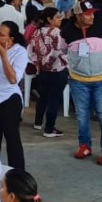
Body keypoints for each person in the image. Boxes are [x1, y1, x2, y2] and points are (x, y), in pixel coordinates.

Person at [64, 1, 102, 165]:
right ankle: (84, 145)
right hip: (78, 81)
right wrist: (74, 65)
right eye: (88, 14)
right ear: (78, 15)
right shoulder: (66, 32)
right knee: (81, 115)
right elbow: (61, 49)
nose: (92, 17)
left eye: (93, 13)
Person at [0, 21, 29, 171]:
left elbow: (13, 79)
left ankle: (18, 175)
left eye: (1, 35)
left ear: (11, 39)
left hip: (8, 99)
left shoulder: (20, 52)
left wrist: (3, 55)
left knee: (12, 138)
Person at [30, 8, 68, 138]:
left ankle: (38, 122)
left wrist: (39, 64)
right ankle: (49, 128)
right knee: (54, 100)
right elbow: (59, 51)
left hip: (43, 71)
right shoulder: (58, 33)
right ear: (49, 19)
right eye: (57, 17)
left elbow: (31, 51)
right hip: (57, 70)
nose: (60, 19)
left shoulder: (36, 32)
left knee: (43, 96)